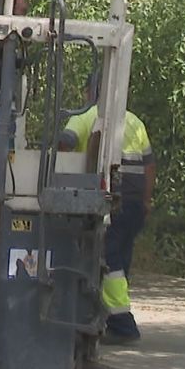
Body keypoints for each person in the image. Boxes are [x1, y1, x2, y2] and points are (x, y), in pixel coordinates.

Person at [59, 74, 154, 345]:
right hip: (134, 204)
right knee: (120, 260)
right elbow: (149, 166)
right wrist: (147, 201)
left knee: (107, 260)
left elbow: (66, 142)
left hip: (112, 200)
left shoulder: (88, 115)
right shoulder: (133, 121)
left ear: (91, 92)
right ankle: (108, 315)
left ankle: (122, 325)